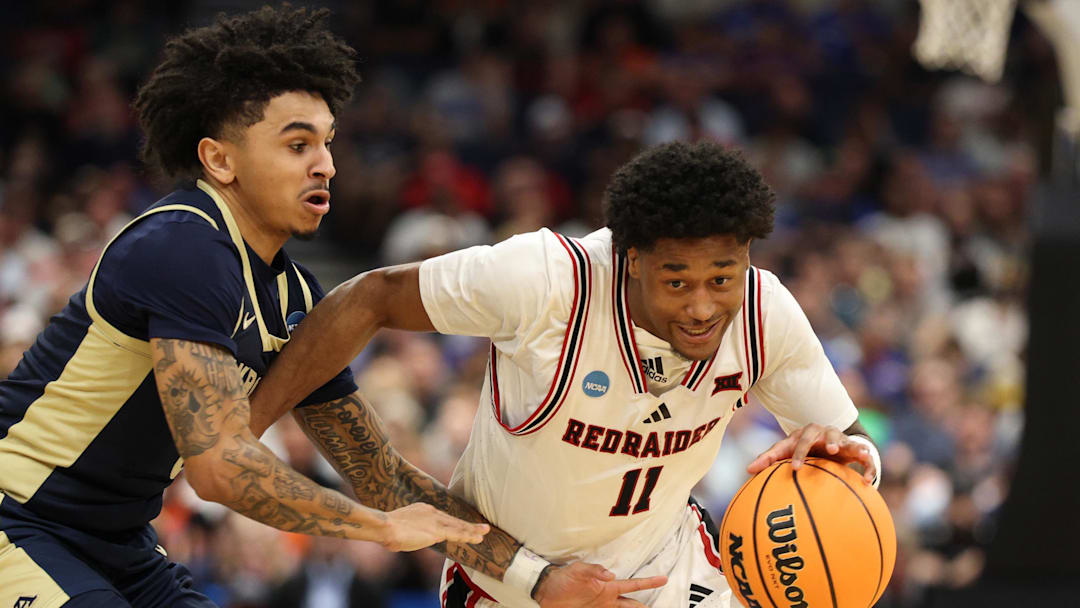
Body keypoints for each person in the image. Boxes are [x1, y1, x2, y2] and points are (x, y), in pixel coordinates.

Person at [0, 7, 491, 608]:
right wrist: (379, 528)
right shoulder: (181, 243)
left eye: (328, 143)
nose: (326, 165)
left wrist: (539, 575)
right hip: (18, 515)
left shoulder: (296, 297)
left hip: (118, 539)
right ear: (220, 159)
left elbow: (380, 475)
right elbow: (219, 468)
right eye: (297, 143)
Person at [251, 141, 882, 607]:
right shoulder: (547, 284)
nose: (701, 306)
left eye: (722, 278)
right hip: (513, 580)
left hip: (668, 568)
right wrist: (243, 425)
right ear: (631, 259)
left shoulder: (763, 309)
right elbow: (371, 296)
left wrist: (847, 457)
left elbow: (855, 445)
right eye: (676, 281)